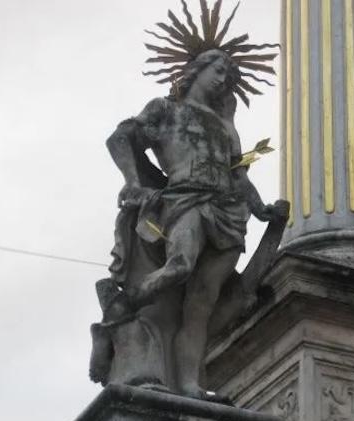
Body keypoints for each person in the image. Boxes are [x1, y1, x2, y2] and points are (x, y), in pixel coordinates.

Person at [104, 49, 280, 399]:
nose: (222, 80)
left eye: (229, 77)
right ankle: (128, 304)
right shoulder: (166, 109)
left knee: (201, 304)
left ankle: (189, 384)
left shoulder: (226, 126)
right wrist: (133, 182)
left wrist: (262, 210)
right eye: (218, 70)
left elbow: (239, 176)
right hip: (186, 200)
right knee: (180, 265)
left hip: (229, 213)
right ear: (197, 70)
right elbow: (119, 138)